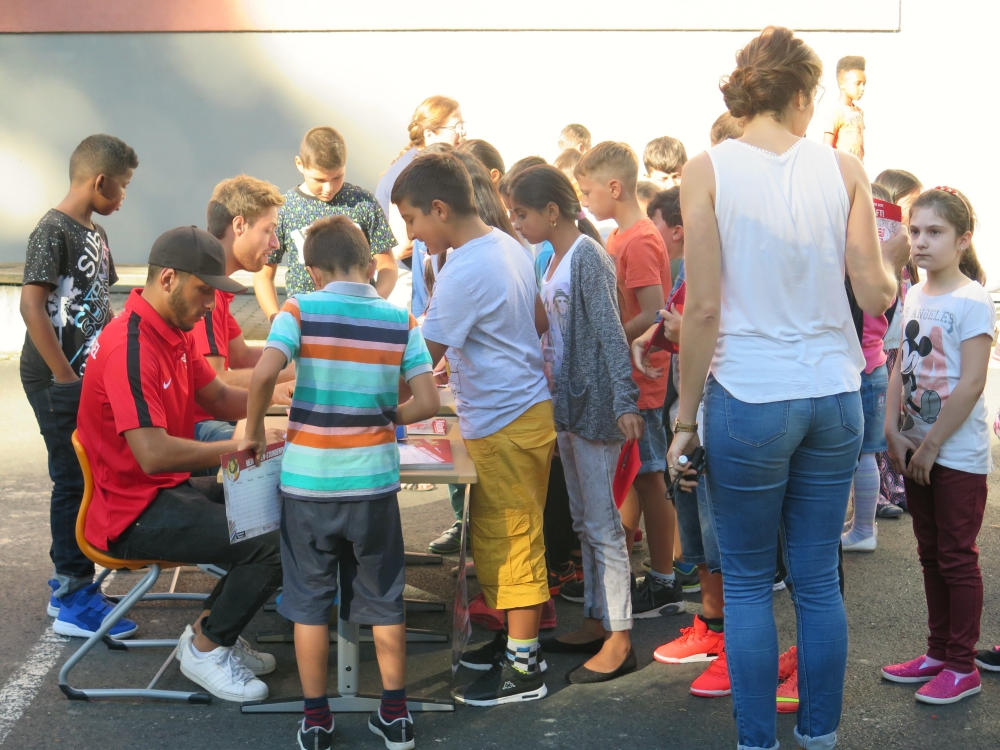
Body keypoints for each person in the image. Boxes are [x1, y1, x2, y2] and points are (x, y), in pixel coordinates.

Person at [667, 27, 895, 749]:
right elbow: (876, 292)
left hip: (748, 394)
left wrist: (684, 418)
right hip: (833, 391)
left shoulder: (706, 170)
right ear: (801, 94)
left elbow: (703, 308)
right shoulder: (845, 168)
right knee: (817, 579)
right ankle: (820, 736)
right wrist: (890, 263)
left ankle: (757, 740)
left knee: (745, 583)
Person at [241, 215, 438, 750]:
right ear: (371, 264)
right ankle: (394, 715)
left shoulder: (299, 309)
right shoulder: (400, 319)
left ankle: (316, 719)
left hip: (308, 484)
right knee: (384, 598)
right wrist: (388, 419)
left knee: (308, 601)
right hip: (372, 484)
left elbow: (264, 373)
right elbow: (427, 400)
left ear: (312, 271)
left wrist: (253, 431)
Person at [77, 226, 285, 702]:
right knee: (269, 541)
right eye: (204, 290)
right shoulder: (130, 345)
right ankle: (206, 649)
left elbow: (218, 397)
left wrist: (280, 399)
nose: (211, 304)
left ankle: (211, 633)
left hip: (163, 490)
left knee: (277, 509)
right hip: (131, 513)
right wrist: (239, 447)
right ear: (168, 278)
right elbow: (152, 455)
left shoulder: (173, 329)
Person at [392, 152, 556, 706]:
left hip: (507, 418)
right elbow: (533, 320)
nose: (412, 235)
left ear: (440, 208)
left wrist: (361, 396)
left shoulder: (465, 269)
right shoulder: (506, 244)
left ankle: (524, 668)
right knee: (498, 537)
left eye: (413, 219)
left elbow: (422, 357)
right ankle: (516, 643)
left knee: (513, 541)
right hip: (513, 412)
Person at [507, 164, 643, 683]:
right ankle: (595, 621)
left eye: (521, 213)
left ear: (551, 211)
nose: (517, 222)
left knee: (604, 526)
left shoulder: (587, 255)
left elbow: (610, 331)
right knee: (586, 521)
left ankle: (620, 638)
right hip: (568, 404)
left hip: (596, 407)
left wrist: (625, 401)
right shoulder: (554, 258)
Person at [20, 134, 139, 639]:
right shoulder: (52, 230)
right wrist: (65, 377)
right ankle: (71, 594)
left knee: (89, 474)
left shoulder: (95, 231)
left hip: (85, 377)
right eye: (123, 186)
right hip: (55, 378)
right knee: (72, 479)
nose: (125, 195)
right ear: (100, 181)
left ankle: (74, 583)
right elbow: (31, 306)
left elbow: (98, 304)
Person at [881, 187, 993, 705]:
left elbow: (971, 383)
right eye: (915, 231)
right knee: (930, 554)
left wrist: (930, 447)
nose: (921, 242)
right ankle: (938, 652)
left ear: (962, 239)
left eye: (935, 232)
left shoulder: (972, 300)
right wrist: (891, 429)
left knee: (956, 557)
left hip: (954, 454)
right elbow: (900, 364)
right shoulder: (913, 295)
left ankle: (962, 665)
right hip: (913, 448)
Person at [575, 141, 682, 619]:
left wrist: (608, 338)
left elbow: (653, 311)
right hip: (631, 376)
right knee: (638, 476)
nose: (584, 201)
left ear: (614, 187)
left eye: (587, 191)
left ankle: (664, 578)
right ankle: (644, 571)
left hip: (643, 381)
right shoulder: (621, 236)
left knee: (651, 476)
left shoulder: (638, 239)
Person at [253, 126, 398, 319]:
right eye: (319, 179)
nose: (328, 188)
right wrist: (276, 318)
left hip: (356, 318)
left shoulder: (363, 203)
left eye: (337, 177)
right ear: (300, 164)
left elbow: (387, 265)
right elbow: (264, 273)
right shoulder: (285, 209)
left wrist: (371, 306)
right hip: (306, 319)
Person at [193, 176, 295, 445]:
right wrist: (301, 371)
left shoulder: (218, 285)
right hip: (195, 424)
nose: (275, 243)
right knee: (280, 447)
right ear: (239, 226)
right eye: (268, 230)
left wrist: (299, 353)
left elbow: (241, 355)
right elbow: (218, 380)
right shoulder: (204, 289)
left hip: (212, 416)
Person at [375, 96, 464, 316]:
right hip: (404, 279)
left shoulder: (417, 163)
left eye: (463, 126)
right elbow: (402, 246)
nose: (462, 133)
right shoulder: (413, 173)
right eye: (455, 127)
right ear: (429, 134)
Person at [872, 169, 924, 519]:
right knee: (879, 417)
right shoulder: (881, 243)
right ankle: (878, 490)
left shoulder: (908, 245)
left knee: (898, 412)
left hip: (901, 341)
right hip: (879, 343)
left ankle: (894, 483)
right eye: (911, 201)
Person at [824, 55, 866, 162]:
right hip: (841, 168)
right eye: (858, 84)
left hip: (857, 167)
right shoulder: (836, 112)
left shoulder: (859, 112)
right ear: (842, 83)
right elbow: (827, 148)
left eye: (864, 84)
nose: (862, 88)